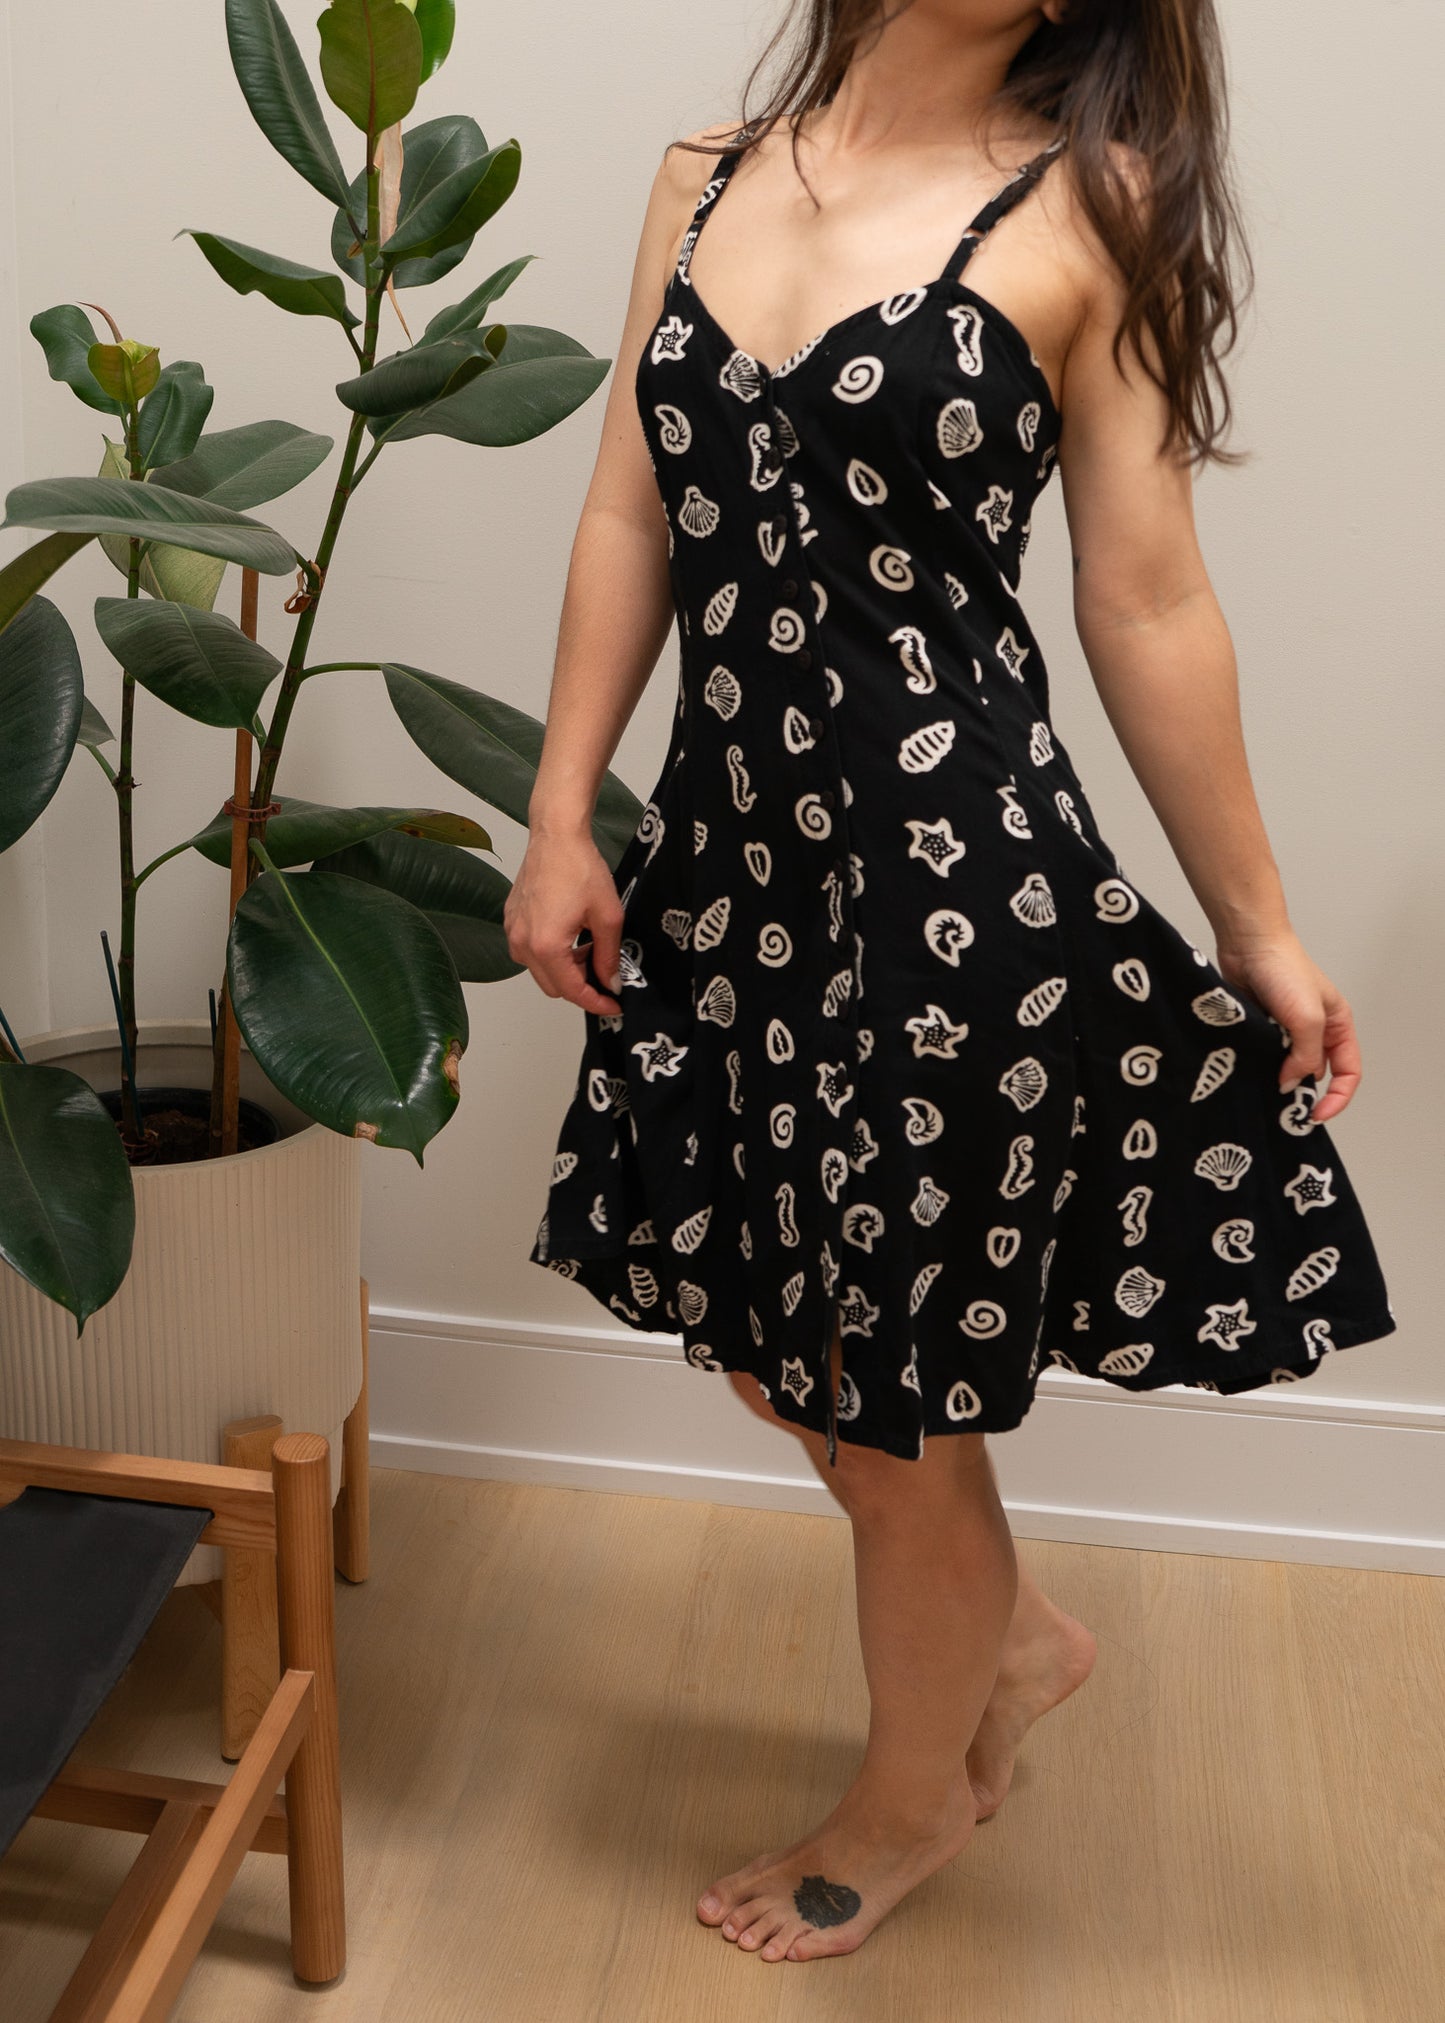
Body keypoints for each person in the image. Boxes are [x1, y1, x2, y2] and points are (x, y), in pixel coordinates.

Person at [505, 0, 1397, 1966]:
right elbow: (627, 509)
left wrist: (1256, 926)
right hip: (726, 888)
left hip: (954, 908)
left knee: (890, 1414)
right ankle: (1012, 1634)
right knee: (766, 1332)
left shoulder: (1096, 209)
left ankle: (913, 1794)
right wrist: (566, 811)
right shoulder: (699, 182)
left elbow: (1146, 589)